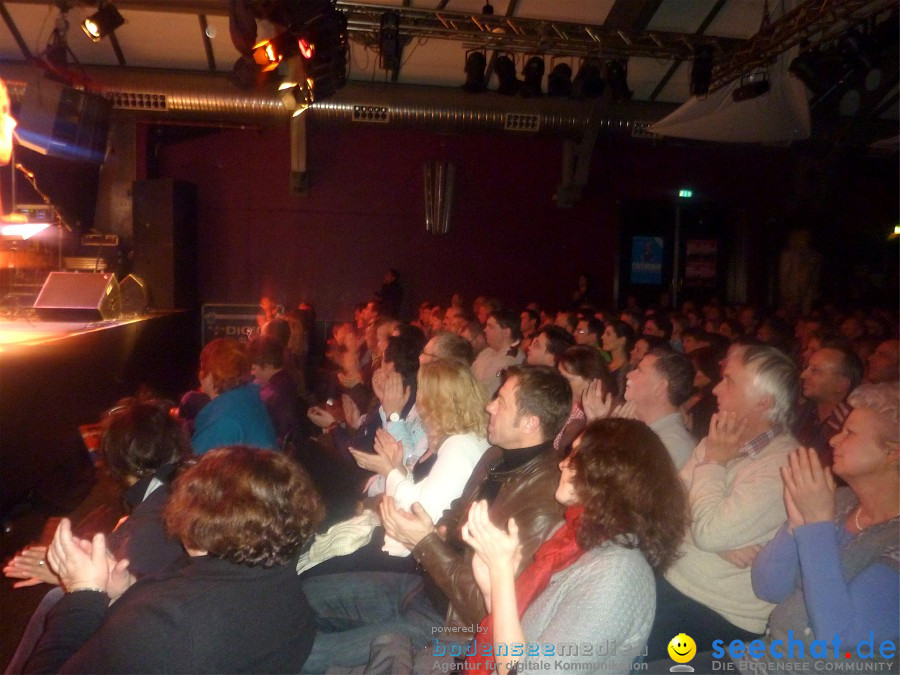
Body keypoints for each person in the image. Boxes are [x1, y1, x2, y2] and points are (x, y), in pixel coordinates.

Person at [297, 366, 571, 673]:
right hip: (425, 585)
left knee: (307, 656)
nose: (489, 406)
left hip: (452, 625)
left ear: (530, 423)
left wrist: (426, 541)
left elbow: (486, 605)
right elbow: (456, 509)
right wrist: (437, 530)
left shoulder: (544, 499)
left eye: (502, 402)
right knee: (305, 593)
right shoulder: (496, 455)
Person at [23, 447, 323, 673]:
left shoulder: (163, 627)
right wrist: (128, 589)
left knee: (54, 601)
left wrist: (83, 591)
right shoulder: (277, 572)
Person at [460, 419, 689, 674]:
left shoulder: (619, 575)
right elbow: (521, 633)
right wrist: (493, 587)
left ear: (611, 472)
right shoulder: (575, 536)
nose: (563, 463)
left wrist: (502, 574)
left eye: (577, 455)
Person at [4, 399, 190, 674]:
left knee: (53, 601)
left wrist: (73, 581)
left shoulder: (149, 525)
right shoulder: (178, 490)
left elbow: (133, 611)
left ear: (117, 460)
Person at [646, 344, 800, 659]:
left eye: (729, 381)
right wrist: (710, 537)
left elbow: (710, 531)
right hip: (673, 581)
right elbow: (664, 505)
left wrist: (714, 464)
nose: (715, 389)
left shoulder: (784, 465)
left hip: (718, 615)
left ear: (764, 401)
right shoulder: (719, 439)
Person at [730, 383, 899, 670]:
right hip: (769, 655)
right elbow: (768, 588)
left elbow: (839, 634)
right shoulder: (840, 501)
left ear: (892, 453)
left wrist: (817, 524)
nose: (833, 441)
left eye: (850, 433)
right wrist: (796, 526)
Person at [191, 338, 277, 454]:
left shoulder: (224, 421)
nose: (199, 374)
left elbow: (196, 465)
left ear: (211, 375)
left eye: (202, 368)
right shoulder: (248, 399)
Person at [601, 320, 635, 399]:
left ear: (622, 340)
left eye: (608, 334)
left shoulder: (628, 369)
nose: (602, 337)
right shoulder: (605, 363)